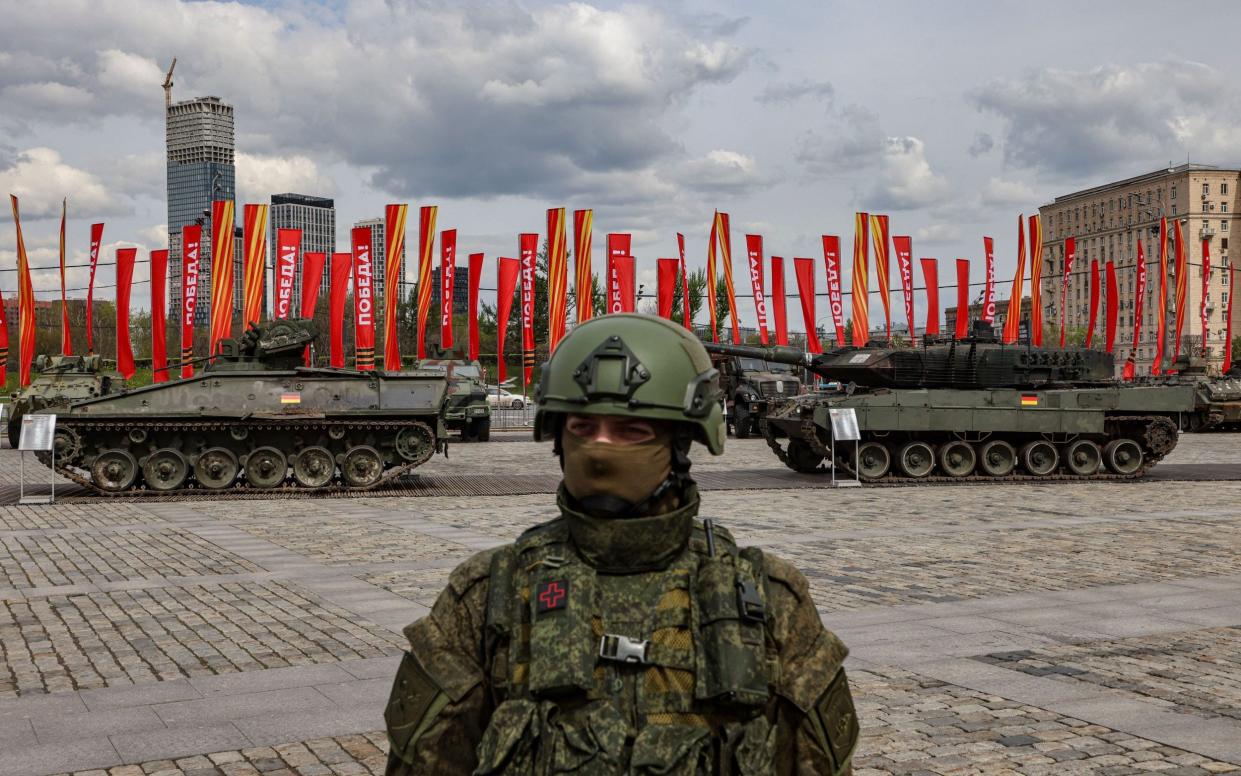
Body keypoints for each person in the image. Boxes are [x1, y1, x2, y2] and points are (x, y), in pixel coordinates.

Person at [384, 314, 858, 775]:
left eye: (631, 431)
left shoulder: (766, 599)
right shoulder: (490, 595)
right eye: (583, 428)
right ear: (557, 436)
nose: (601, 448)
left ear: (683, 441)